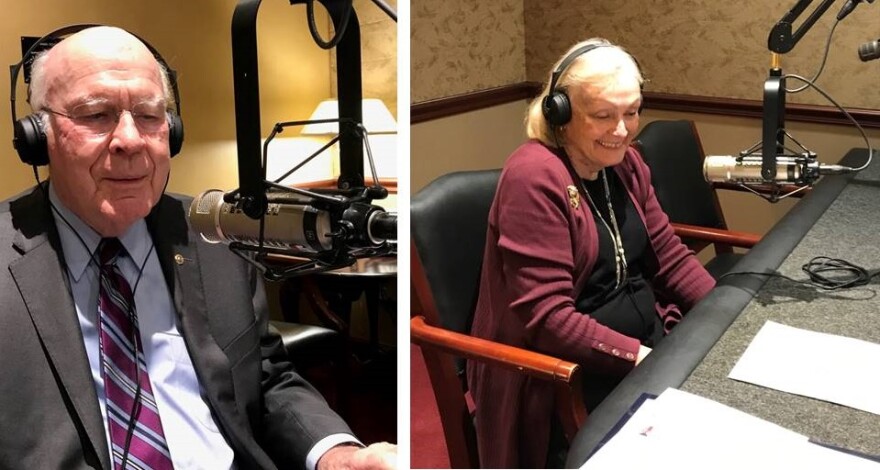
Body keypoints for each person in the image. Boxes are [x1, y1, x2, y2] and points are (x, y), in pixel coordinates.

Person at [0, 26, 396, 470]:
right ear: (37, 136)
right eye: (97, 115)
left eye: (149, 116)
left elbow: (265, 379)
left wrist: (336, 454)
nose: (130, 140)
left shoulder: (215, 232)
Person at [466, 38, 716, 468]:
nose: (622, 130)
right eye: (603, 116)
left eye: (632, 112)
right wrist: (643, 361)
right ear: (559, 114)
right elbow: (547, 320)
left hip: (642, 347)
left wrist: (724, 316)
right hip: (562, 376)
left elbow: (669, 257)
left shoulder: (626, 163)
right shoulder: (533, 178)